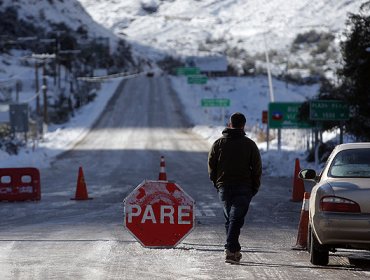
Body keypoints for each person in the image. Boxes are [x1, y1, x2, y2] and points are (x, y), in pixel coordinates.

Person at [208, 112, 262, 264]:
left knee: (231, 219)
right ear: (243, 125)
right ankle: (231, 250)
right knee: (234, 219)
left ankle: (234, 250)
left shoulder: (218, 144)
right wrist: (254, 188)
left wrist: (216, 183)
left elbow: (211, 166)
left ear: (229, 124)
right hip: (244, 187)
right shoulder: (250, 145)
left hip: (224, 187)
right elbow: (257, 169)